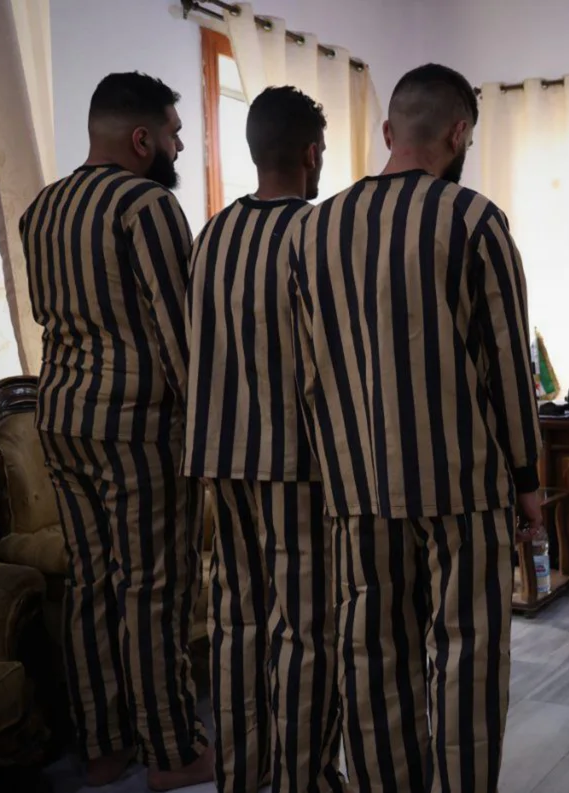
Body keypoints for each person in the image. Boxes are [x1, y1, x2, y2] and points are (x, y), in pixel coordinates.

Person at [288, 63, 543, 792]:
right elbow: (507, 366)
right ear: (459, 134)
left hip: (357, 488)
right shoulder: (474, 219)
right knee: (468, 657)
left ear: (387, 131)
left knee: (371, 659)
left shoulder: (312, 230)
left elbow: (309, 371)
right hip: (463, 486)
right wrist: (528, 481)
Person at [18, 71, 212, 790]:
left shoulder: (40, 208)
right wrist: (209, 433)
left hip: (60, 417)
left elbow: (48, 314)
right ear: (141, 139)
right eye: (173, 133)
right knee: (153, 588)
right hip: (137, 425)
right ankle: (172, 751)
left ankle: (103, 750)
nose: (179, 146)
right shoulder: (147, 204)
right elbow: (179, 332)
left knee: (91, 585)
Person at [183, 86, 343, 793]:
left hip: (220, 456)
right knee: (306, 629)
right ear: (310, 153)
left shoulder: (211, 233)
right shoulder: (318, 231)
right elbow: (333, 359)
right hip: (297, 461)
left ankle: (242, 777)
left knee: (236, 623)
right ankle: (305, 779)